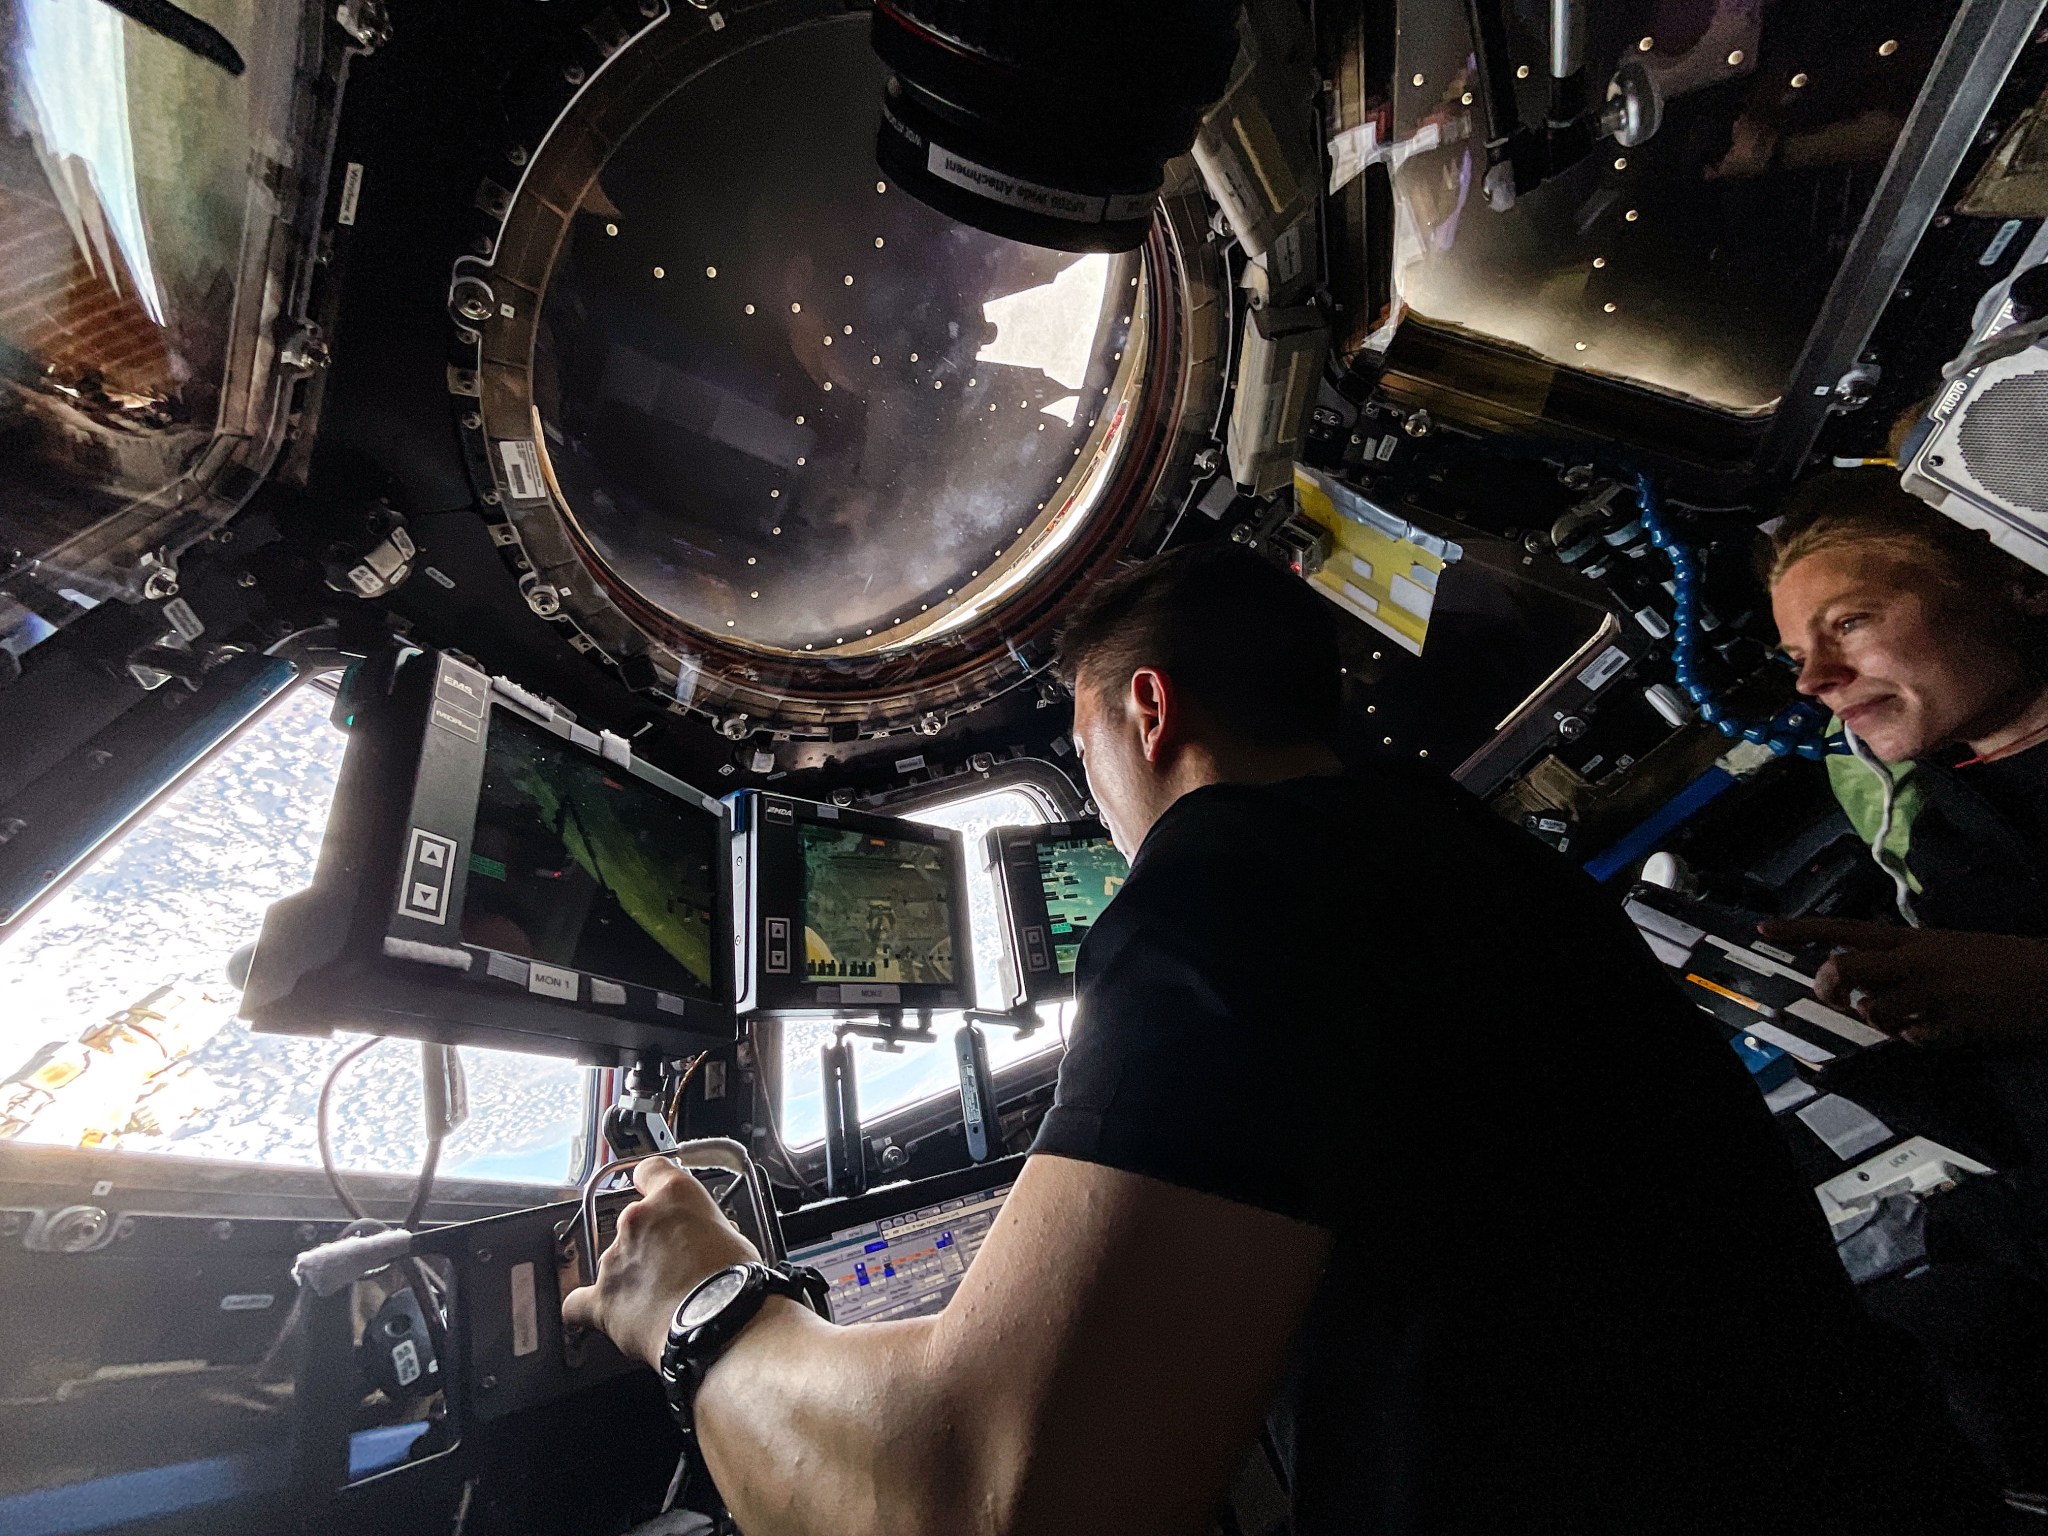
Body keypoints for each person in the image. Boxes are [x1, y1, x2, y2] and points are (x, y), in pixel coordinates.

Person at [565, 543, 1985, 1536]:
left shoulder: (1227, 875)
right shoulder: (1458, 848)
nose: (1098, 797)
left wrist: (694, 1308)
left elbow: (985, 1505)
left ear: (1147, 709)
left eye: (1082, 753)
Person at [1762, 469, 2048, 1510]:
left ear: (2018, 582)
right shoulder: (1939, 824)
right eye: (1797, 655)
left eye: (1850, 623)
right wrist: (1883, 1040)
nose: (1814, 680)